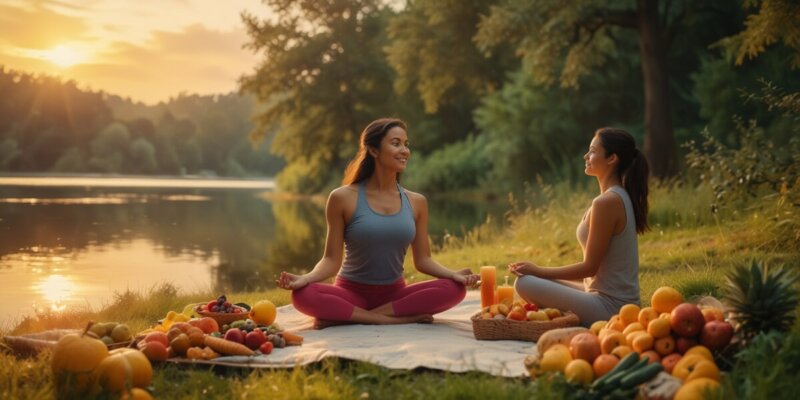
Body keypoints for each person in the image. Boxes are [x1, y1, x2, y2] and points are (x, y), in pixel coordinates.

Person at [276, 118, 479, 329]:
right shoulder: (342, 197)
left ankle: (351, 317)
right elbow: (330, 260)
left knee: (454, 288)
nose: (404, 150)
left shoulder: (417, 202)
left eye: (406, 144)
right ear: (373, 150)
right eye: (396, 143)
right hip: (350, 293)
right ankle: (387, 318)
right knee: (303, 295)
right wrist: (305, 278)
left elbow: (423, 260)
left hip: (395, 295)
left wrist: (453, 274)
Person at [509, 127, 650, 326]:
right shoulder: (614, 196)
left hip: (612, 308)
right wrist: (538, 273)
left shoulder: (608, 202)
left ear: (612, 159)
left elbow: (589, 268)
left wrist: (538, 270)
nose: (586, 155)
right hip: (597, 295)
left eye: (592, 151)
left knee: (525, 283)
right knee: (532, 281)